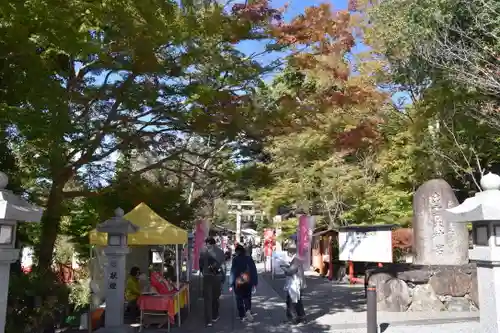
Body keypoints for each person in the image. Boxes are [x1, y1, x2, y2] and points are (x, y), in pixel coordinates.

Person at [199, 236, 225, 327]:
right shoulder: (221, 252)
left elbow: (200, 265)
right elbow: (223, 265)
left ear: (208, 243)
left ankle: (208, 320)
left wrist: (204, 271)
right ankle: (215, 315)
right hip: (217, 277)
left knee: (207, 299)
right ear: (214, 243)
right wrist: (223, 278)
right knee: (215, 297)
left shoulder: (203, 252)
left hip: (207, 277)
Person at [229, 244, 258, 322]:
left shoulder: (235, 259)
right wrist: (255, 283)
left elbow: (233, 272)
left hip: (238, 282)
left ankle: (242, 315)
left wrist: (231, 284)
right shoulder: (249, 259)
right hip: (248, 281)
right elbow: (254, 271)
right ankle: (248, 310)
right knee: (247, 297)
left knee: (239, 298)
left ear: (237, 252)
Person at [280, 245, 307, 325]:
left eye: (289, 252)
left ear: (291, 252)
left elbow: (290, 272)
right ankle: (302, 317)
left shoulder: (296, 260)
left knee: (291, 302)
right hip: (298, 284)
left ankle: (293, 319)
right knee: (298, 302)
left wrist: (283, 268)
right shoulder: (297, 259)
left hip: (295, 285)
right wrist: (287, 267)